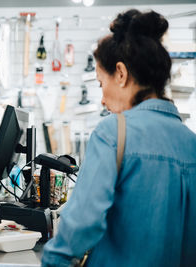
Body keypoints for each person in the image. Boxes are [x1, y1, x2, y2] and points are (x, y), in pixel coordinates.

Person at [42, 9, 196, 267]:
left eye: (101, 83)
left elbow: (82, 223)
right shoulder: (191, 143)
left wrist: (53, 260)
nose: (102, 99)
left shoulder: (113, 131)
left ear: (121, 74)